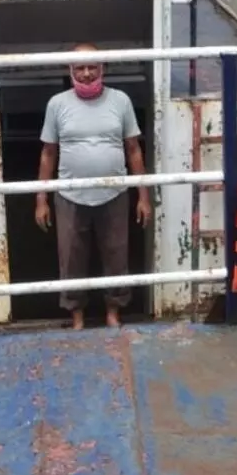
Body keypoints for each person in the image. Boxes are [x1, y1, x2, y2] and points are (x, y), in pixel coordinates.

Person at [35, 44, 150, 329]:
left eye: (92, 67)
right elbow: (48, 153)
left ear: (103, 68)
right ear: (70, 70)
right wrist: (41, 200)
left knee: (116, 256)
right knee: (71, 259)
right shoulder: (57, 104)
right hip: (69, 196)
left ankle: (114, 312)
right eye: (79, 68)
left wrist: (143, 196)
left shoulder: (120, 101)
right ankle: (77, 317)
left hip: (115, 193)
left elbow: (133, 149)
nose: (86, 74)